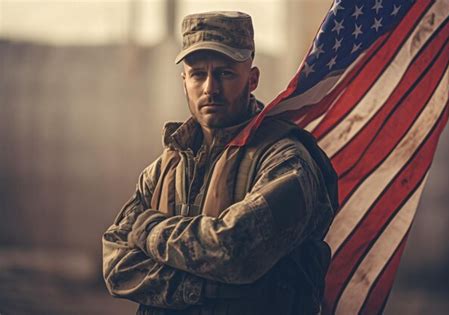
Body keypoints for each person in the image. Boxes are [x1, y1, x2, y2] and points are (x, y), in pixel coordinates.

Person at [102, 11, 338, 315]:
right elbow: (116, 267)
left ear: (252, 79)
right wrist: (205, 290)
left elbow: (234, 250)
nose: (210, 88)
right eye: (198, 74)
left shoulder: (286, 162)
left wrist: (146, 228)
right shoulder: (163, 169)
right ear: (184, 81)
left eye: (225, 73)